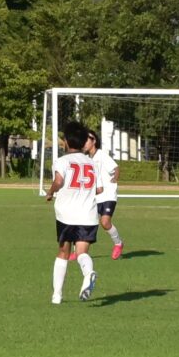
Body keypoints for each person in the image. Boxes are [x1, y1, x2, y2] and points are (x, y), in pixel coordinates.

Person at [46, 122, 102, 304]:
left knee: (63, 251)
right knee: (82, 252)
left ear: (66, 142)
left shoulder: (62, 161)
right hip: (88, 214)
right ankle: (88, 273)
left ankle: (57, 295)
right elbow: (99, 189)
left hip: (66, 214)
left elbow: (59, 180)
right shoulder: (92, 163)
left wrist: (51, 191)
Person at [91, 136, 123, 259]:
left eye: (87, 139)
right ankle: (79, 251)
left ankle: (118, 243)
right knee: (85, 222)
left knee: (105, 222)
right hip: (94, 196)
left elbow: (116, 168)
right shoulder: (87, 158)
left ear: (93, 141)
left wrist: (114, 179)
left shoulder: (101, 155)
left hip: (108, 195)